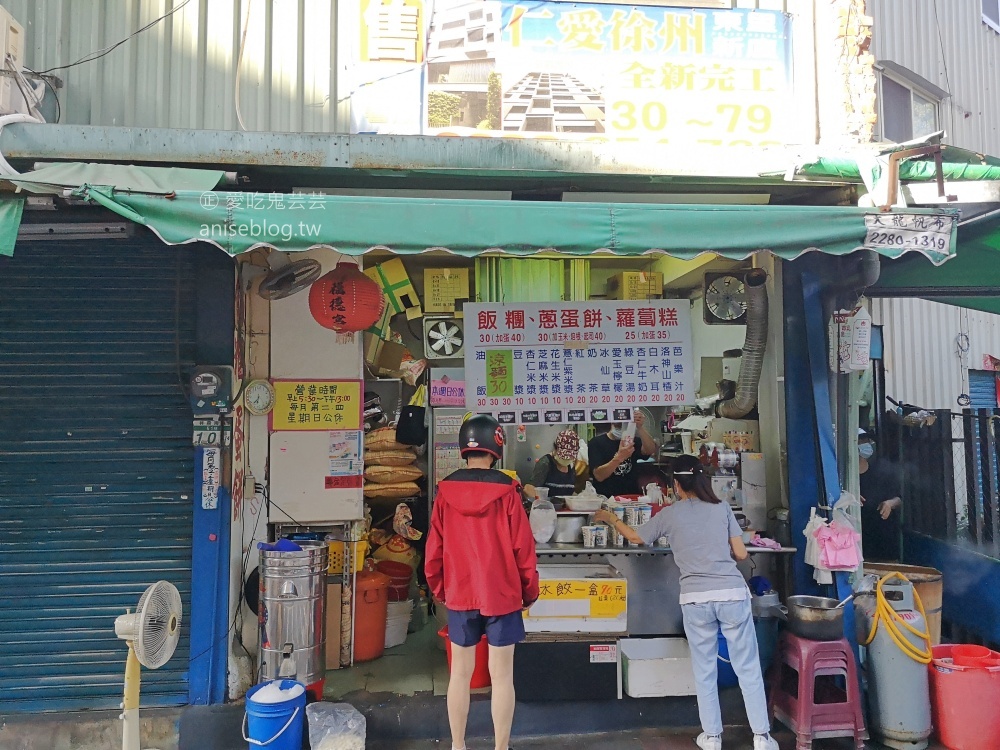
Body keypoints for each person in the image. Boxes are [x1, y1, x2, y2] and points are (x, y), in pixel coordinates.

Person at [594, 454, 777, 750]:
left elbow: (638, 538)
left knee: (705, 670)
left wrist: (611, 517)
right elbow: (742, 554)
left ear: (676, 485)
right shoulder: (722, 508)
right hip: (731, 595)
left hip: (695, 600)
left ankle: (712, 737)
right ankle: (762, 737)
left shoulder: (671, 514)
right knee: (748, 667)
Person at [425, 414, 539, 750]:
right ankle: (500, 747)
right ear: (497, 446)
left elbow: (433, 551)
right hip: (502, 596)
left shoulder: (445, 492)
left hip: (460, 594)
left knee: (459, 674)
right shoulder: (507, 492)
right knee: (502, 677)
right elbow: (523, 548)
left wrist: (443, 591)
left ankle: (458, 745)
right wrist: (528, 591)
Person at [587, 411, 656, 497]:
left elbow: (650, 450)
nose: (622, 428)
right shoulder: (596, 443)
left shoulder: (632, 441)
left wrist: (640, 427)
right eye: (618, 425)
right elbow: (599, 476)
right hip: (606, 498)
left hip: (631, 497)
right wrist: (620, 457)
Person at [859, 428, 902, 561]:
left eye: (866, 440)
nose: (865, 444)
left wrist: (889, 504)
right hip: (860, 542)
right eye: (860, 441)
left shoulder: (880, 469)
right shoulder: (844, 475)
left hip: (884, 541)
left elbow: (899, 499)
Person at [524, 428, 583, 500]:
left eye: (569, 457)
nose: (567, 459)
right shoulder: (546, 463)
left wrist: (579, 498)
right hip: (547, 509)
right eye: (564, 457)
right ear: (556, 449)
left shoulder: (571, 465)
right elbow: (529, 489)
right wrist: (542, 502)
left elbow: (568, 492)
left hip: (565, 509)